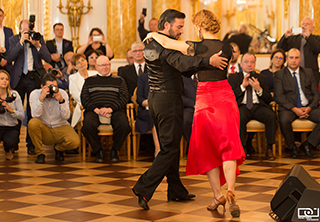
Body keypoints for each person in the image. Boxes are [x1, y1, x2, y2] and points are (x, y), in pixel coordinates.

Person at [132, 9, 229, 211]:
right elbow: (182, 63)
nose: (181, 31)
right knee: (170, 148)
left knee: (172, 144)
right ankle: (143, 187)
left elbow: (181, 68)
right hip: (168, 101)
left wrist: (200, 66)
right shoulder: (163, 46)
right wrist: (207, 61)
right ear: (166, 25)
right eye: (178, 27)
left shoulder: (151, 43)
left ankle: (176, 190)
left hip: (157, 100)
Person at [6, 19, 51, 155]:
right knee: (16, 111)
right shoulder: (13, 39)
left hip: (33, 78)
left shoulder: (38, 38)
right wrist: (21, 42)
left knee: (32, 112)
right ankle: (13, 144)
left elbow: (48, 58)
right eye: (25, 31)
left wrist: (37, 45)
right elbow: (9, 57)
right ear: (20, 30)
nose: (28, 33)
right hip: (18, 79)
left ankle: (31, 145)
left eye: (29, 30)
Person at [81, 56, 131, 163]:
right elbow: (84, 98)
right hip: (94, 110)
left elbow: (124, 98)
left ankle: (115, 150)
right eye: (102, 65)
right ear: (96, 67)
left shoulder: (119, 80)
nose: (105, 67)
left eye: (107, 64)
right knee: (87, 126)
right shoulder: (89, 81)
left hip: (114, 110)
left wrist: (110, 109)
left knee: (124, 125)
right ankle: (99, 150)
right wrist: (96, 109)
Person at [228, 53, 277, 161]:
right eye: (246, 62)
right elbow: (230, 97)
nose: (249, 64)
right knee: (239, 117)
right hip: (243, 106)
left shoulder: (262, 78)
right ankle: (243, 148)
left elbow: (268, 99)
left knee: (271, 116)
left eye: (252, 62)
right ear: (241, 64)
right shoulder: (234, 77)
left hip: (258, 107)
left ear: (255, 63)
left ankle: (269, 148)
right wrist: (242, 87)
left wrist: (259, 89)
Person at [274, 48, 319, 159]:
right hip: (289, 108)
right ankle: (292, 147)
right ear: (287, 59)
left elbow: (316, 94)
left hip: (308, 107)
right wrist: (295, 109)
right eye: (291, 58)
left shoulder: (308, 72)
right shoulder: (280, 74)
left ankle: (308, 144)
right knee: (284, 120)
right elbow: (279, 96)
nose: (294, 60)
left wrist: (308, 108)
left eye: (296, 58)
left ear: (300, 59)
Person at [28, 73, 80, 163]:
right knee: (32, 123)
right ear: (42, 86)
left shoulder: (62, 93)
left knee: (75, 142)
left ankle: (58, 149)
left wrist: (61, 101)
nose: (52, 89)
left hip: (61, 125)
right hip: (44, 127)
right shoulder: (35, 94)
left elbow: (66, 116)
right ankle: (40, 153)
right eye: (49, 87)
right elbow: (35, 115)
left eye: (54, 86)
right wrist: (41, 98)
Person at [277, 17, 320, 84]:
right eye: (303, 24)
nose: (304, 25)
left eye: (307, 24)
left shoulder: (316, 39)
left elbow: (318, 49)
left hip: (311, 75)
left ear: (313, 28)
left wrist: (309, 37)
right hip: (293, 73)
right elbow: (279, 48)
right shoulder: (294, 38)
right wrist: (285, 36)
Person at [0, 70, 24, 160]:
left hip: (11, 126)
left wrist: (10, 110)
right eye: (2, 79)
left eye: (7, 79)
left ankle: (7, 149)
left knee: (11, 142)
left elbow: (22, 116)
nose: (5, 81)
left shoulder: (15, 95)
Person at [135, 72, 160, 156]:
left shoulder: (167, 76)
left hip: (162, 109)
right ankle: (158, 150)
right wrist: (147, 102)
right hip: (146, 110)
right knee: (154, 117)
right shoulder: (143, 77)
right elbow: (139, 98)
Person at [69, 53, 97, 128]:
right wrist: (92, 105)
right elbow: (77, 96)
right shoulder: (73, 78)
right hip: (84, 107)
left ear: (86, 61)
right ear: (74, 67)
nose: (81, 63)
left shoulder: (95, 74)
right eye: (78, 62)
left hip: (99, 104)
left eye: (82, 60)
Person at [181, 75, 196, 153]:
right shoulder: (182, 77)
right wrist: (194, 104)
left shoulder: (206, 75)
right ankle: (194, 146)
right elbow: (179, 96)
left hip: (206, 106)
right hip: (189, 107)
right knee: (185, 121)